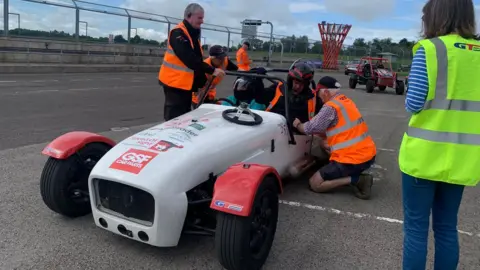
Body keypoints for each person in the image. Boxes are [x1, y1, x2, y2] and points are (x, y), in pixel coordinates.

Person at [398, 0, 479, 269]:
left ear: (435, 16)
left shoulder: (430, 50)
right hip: (461, 158)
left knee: (416, 230)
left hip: (423, 157)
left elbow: (413, 104)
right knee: (446, 228)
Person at [293, 76, 377, 200]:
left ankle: (357, 179)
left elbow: (309, 128)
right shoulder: (345, 101)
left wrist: (298, 124)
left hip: (352, 159)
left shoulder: (330, 107)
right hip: (367, 154)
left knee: (315, 184)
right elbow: (338, 129)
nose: (319, 97)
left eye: (319, 93)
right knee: (322, 144)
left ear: (326, 92)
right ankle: (343, 172)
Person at [158, 3, 225, 121]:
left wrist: (201, 82)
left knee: (183, 117)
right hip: (174, 83)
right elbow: (190, 59)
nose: (202, 21)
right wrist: (212, 70)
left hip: (184, 84)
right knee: (174, 119)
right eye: (200, 18)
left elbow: (196, 59)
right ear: (189, 16)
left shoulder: (191, 34)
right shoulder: (178, 33)